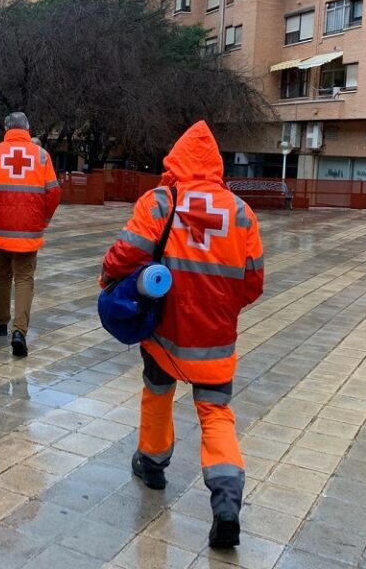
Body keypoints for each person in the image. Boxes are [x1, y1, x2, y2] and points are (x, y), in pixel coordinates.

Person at [100, 120, 264, 549]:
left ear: (176, 159)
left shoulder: (161, 201)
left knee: (157, 392)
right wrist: (220, 307)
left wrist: (108, 279)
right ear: (216, 164)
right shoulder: (241, 212)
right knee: (216, 414)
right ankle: (226, 503)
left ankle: (152, 464)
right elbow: (253, 283)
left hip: (165, 333)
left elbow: (127, 252)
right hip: (216, 339)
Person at [0, 112, 61, 357]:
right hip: (29, 231)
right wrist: (44, 219)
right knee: (24, 279)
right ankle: (19, 331)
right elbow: (53, 193)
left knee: (2, 275)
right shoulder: (42, 156)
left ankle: (0, 322)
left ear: (6, 129)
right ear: (28, 128)